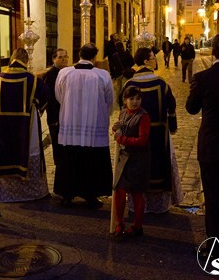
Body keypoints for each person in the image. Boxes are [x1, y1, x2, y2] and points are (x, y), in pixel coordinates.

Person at [120, 47, 182, 213]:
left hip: (133, 136)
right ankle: (158, 205)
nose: (156, 60)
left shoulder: (129, 83)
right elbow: (171, 106)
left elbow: (122, 109)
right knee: (157, 165)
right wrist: (173, 126)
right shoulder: (161, 83)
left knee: (137, 166)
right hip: (158, 134)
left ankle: (137, 204)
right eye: (153, 57)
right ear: (146, 61)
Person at [186, 32, 219, 259]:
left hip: (212, 146)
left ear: (213, 52)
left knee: (212, 197)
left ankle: (215, 245)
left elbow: (191, 108)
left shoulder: (203, 78)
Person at [54, 43, 114, 208]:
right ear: (94, 57)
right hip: (94, 126)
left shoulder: (65, 73)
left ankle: (67, 195)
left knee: (69, 159)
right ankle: (91, 196)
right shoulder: (102, 75)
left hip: (70, 124)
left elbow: (59, 95)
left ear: (79, 55)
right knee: (91, 161)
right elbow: (110, 101)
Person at [0, 48, 50, 202]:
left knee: (7, 152)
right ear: (26, 61)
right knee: (29, 149)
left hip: (4, 126)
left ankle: (6, 195)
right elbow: (45, 94)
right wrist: (38, 107)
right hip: (26, 124)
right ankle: (33, 192)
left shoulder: (0, 78)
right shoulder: (31, 79)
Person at [112, 86, 151, 238]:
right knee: (120, 191)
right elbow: (121, 128)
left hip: (138, 160)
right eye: (131, 99)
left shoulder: (143, 117)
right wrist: (116, 128)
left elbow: (142, 140)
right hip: (124, 159)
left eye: (138, 99)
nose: (135, 102)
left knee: (136, 193)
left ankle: (137, 226)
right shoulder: (123, 113)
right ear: (125, 100)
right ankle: (119, 223)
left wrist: (122, 139)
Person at [42, 48, 68, 164]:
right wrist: (54, 119)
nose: (63, 59)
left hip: (67, 117)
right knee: (58, 148)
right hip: (56, 118)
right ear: (54, 59)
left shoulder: (68, 72)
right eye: (60, 57)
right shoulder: (50, 75)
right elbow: (49, 99)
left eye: (65, 56)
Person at [110, 41, 134, 106]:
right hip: (126, 74)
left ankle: (118, 101)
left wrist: (113, 75)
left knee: (118, 88)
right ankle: (125, 100)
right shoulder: (127, 54)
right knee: (125, 87)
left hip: (118, 74)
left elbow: (112, 66)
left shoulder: (114, 55)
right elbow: (132, 63)